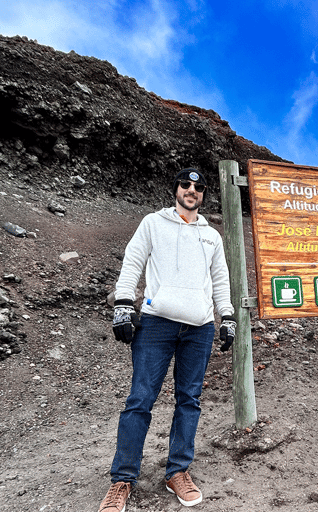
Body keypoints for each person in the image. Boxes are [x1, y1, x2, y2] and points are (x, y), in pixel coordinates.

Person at [99, 168, 237, 512]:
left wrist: (228, 316)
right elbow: (132, 263)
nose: (192, 190)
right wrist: (123, 305)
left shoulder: (212, 236)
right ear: (176, 188)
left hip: (200, 327)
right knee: (140, 399)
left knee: (189, 400)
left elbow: (220, 279)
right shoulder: (152, 223)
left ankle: (178, 472)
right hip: (157, 324)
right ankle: (123, 480)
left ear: (204, 194)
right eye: (185, 184)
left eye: (198, 187)